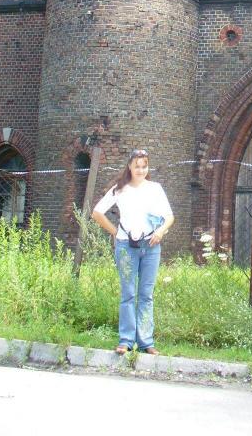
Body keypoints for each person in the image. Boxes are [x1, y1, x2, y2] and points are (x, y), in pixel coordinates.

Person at [92, 148, 174, 355]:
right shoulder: (120, 189)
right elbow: (97, 213)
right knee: (128, 293)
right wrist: (115, 232)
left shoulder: (155, 188)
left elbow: (169, 217)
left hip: (151, 246)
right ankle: (126, 340)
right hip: (126, 247)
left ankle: (146, 342)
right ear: (129, 166)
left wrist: (161, 232)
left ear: (148, 167)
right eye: (137, 166)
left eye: (144, 166)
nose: (140, 170)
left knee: (146, 295)